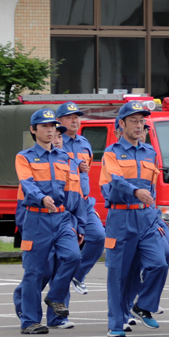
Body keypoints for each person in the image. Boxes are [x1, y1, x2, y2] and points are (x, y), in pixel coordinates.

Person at [100, 101, 169, 337]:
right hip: (121, 216)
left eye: (142, 121)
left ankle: (142, 305)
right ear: (122, 124)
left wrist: (156, 214)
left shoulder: (150, 152)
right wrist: (134, 191)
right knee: (119, 273)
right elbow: (116, 180)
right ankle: (116, 323)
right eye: (134, 121)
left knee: (159, 262)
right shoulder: (111, 152)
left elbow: (152, 187)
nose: (139, 126)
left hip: (147, 217)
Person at [14, 110, 83, 335]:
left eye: (52, 126)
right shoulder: (24, 157)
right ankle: (30, 321)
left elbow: (74, 191)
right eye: (44, 126)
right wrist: (42, 198)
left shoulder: (64, 157)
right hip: (37, 217)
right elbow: (27, 183)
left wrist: (79, 222)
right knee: (34, 271)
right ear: (33, 130)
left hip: (62, 217)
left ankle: (54, 297)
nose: (50, 130)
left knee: (73, 256)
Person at [55, 101, 107, 295]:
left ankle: (78, 275)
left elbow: (87, 171)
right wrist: (75, 164)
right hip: (65, 203)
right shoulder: (56, 140)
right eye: (70, 117)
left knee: (99, 237)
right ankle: (59, 312)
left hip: (83, 201)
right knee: (66, 255)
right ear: (59, 120)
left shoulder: (84, 142)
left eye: (77, 116)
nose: (75, 120)